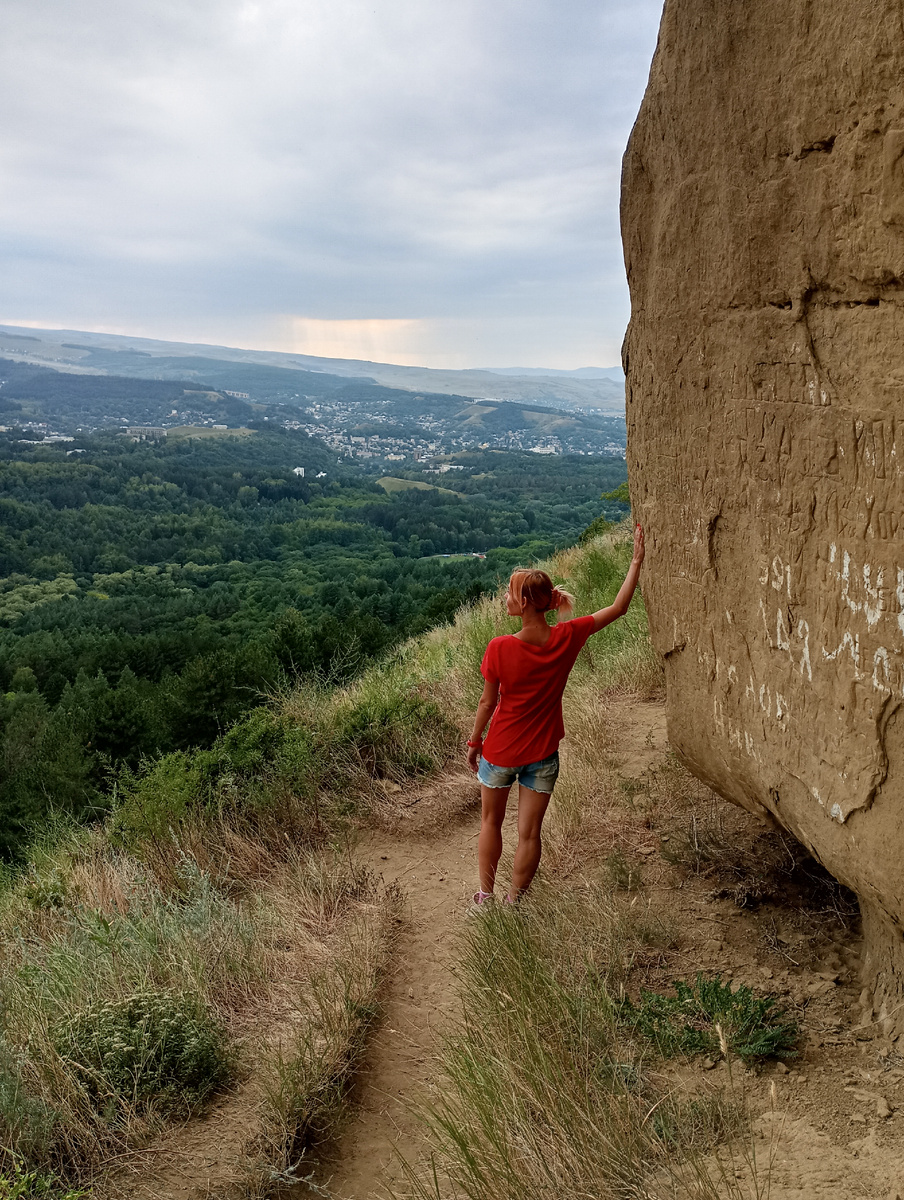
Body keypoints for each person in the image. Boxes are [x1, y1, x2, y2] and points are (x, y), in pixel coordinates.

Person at [466, 524, 645, 906]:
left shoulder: (499, 647)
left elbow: (487, 703)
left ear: (528, 602)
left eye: (510, 593)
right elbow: (618, 608)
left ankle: (486, 897)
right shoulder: (567, 637)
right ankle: (515, 902)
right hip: (543, 753)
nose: (505, 598)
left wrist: (474, 741)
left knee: (490, 823)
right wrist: (636, 561)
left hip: (500, 752)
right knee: (530, 834)